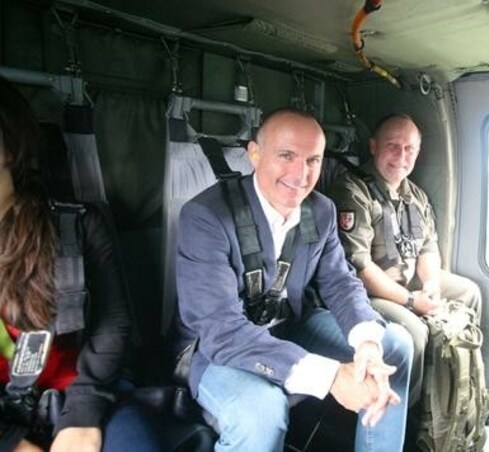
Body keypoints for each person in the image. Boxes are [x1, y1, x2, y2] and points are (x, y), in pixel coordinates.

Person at [175, 108, 413, 451]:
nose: (301, 175)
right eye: (286, 156)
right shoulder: (207, 217)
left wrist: (367, 345)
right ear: (255, 154)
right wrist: (331, 377)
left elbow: (340, 282)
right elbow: (220, 330)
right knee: (261, 413)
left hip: (289, 328)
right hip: (217, 351)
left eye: (313, 160)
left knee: (395, 345)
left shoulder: (319, 210)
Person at [0, 77, 161, 451]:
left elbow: (111, 326)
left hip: (85, 390)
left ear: (9, 144)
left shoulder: (78, 225)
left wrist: (83, 418)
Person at [327, 113, 483, 407]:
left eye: (409, 148)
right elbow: (359, 269)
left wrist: (432, 284)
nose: (401, 156)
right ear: (373, 147)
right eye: (392, 146)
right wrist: (411, 301)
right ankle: (411, 414)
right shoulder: (351, 192)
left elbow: (428, 248)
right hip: (368, 292)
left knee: (469, 293)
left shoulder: (416, 195)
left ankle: (459, 398)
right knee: (413, 330)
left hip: (408, 278)